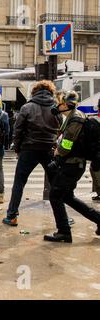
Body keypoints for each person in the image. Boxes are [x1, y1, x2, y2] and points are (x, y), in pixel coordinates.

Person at [2, 80, 62, 227]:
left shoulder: (27, 107)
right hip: (49, 149)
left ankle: (12, 215)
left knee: (19, 182)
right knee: (56, 183)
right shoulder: (56, 108)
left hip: (29, 148)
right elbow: (60, 127)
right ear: (50, 92)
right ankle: (62, 218)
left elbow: (18, 130)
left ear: (34, 92)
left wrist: (17, 148)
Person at [44, 91, 100, 243]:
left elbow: (68, 143)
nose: (57, 105)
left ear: (66, 104)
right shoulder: (72, 117)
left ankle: (64, 232)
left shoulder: (76, 118)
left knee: (55, 195)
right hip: (73, 164)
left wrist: (58, 151)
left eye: (60, 103)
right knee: (67, 196)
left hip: (72, 164)